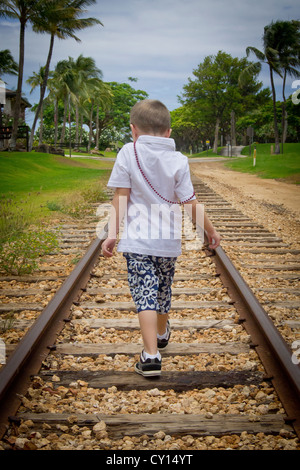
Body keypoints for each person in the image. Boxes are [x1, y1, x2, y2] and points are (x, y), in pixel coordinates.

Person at [102, 99, 221, 377]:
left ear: (133, 129)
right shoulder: (179, 159)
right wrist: (210, 231)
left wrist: (111, 234)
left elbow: (120, 197)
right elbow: (190, 202)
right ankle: (162, 331)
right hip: (168, 242)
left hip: (137, 241)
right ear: (168, 132)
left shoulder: (127, 152)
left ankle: (151, 355)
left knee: (144, 294)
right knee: (162, 290)